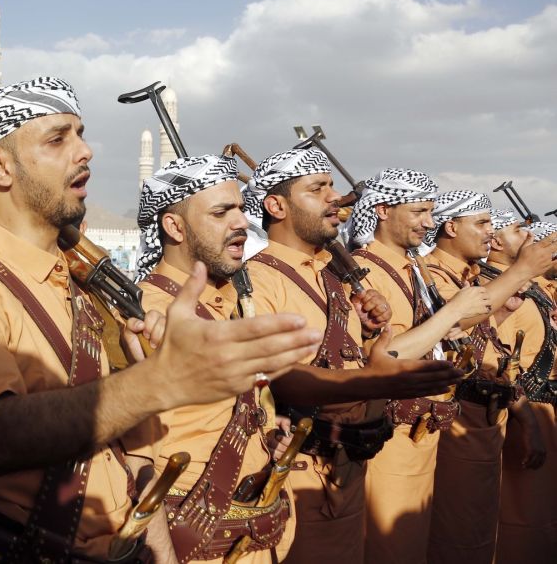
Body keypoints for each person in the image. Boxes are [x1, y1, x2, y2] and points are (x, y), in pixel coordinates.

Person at [0, 78, 324, 563]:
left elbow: (129, 460)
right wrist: (159, 381)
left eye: (81, 134)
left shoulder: (73, 285)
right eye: (57, 138)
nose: (85, 151)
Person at [241, 148, 464, 564]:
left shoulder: (333, 276)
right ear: (275, 206)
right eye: (317, 189)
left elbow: (349, 355)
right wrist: (379, 379)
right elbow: (279, 379)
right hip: (302, 473)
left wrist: (366, 328)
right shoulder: (259, 279)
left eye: (332, 186)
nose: (335, 197)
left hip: (351, 465)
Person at [133, 154, 297, 563]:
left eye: (240, 208)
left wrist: (268, 431)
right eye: (222, 212)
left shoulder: (233, 305)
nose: (241, 222)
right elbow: (133, 463)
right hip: (192, 547)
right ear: (174, 227)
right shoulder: (147, 314)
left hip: (256, 536)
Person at [345, 169, 490, 564]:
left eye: (431, 211)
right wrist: (456, 311)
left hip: (423, 435)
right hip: (389, 436)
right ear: (382, 210)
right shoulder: (366, 271)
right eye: (420, 212)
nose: (429, 222)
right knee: (388, 548)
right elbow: (390, 356)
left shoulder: (412, 266)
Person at [420, 191, 557, 564]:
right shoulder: (432, 275)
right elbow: (459, 333)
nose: (489, 232)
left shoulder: (473, 277)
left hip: (491, 420)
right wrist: (519, 275)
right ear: (452, 227)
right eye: (482, 224)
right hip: (460, 422)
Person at [485, 209, 557, 562]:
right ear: (496, 241)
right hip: (520, 413)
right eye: (518, 231)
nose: (528, 239)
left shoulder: (525, 288)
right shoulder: (492, 287)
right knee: (520, 520)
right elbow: (495, 363)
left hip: (541, 413)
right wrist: (527, 422)